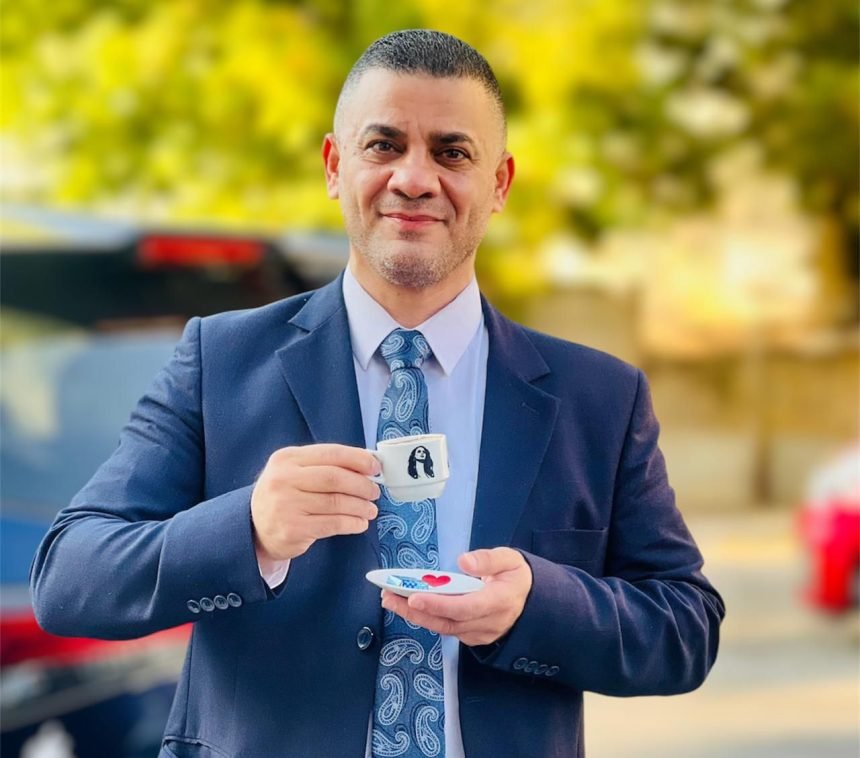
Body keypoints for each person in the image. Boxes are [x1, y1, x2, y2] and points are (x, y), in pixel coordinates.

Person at [31, 29, 724, 758]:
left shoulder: (600, 398)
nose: (414, 179)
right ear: (336, 166)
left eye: (452, 153)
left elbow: (684, 627)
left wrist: (537, 604)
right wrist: (250, 530)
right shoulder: (220, 361)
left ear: (500, 184)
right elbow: (70, 578)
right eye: (384, 145)